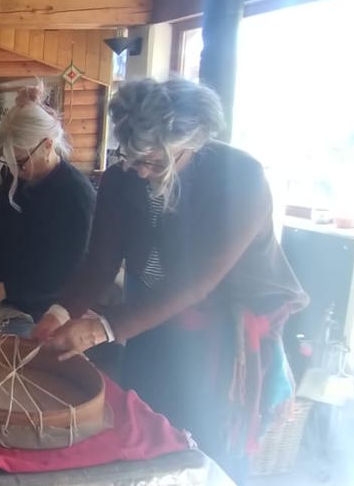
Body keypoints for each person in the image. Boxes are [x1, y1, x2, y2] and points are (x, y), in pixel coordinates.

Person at [32, 79, 308, 483]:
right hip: (150, 314)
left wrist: (102, 328)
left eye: (155, 163)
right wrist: (59, 312)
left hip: (219, 327)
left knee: (205, 438)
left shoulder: (240, 180)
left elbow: (197, 284)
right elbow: (101, 261)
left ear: (192, 144)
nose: (140, 171)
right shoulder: (121, 179)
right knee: (144, 415)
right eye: (132, 158)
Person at [0, 87, 95, 320]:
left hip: (48, 310)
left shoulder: (76, 194)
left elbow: (64, 268)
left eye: (20, 162)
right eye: (8, 161)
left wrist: (4, 289)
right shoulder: (14, 175)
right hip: (8, 298)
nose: (15, 171)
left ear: (48, 145)